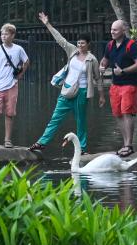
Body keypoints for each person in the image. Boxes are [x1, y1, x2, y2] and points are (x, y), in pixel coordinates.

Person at [29, 13, 104, 155]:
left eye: (83, 43)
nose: (80, 45)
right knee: (55, 118)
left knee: (81, 121)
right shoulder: (73, 51)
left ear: (88, 44)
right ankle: (41, 143)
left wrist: (101, 96)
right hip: (67, 90)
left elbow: (98, 78)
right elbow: (60, 39)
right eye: (78, 43)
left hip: (81, 92)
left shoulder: (92, 59)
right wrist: (47, 24)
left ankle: (82, 148)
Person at [101, 20, 137, 157]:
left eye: (115, 30)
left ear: (123, 31)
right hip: (115, 84)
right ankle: (125, 144)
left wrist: (123, 71)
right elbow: (105, 60)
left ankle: (129, 145)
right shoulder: (110, 45)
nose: (112, 32)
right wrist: (102, 66)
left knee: (127, 113)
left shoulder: (131, 45)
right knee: (118, 114)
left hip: (129, 84)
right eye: (111, 29)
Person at [0, 23, 29, 147]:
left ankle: (7, 140)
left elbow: (26, 61)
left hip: (12, 85)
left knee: (10, 113)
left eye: (6, 34)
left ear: (12, 35)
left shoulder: (18, 49)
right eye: (2, 34)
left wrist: (20, 74)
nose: (3, 36)